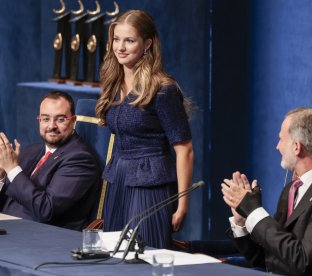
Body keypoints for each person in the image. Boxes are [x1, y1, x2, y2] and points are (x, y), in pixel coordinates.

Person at [221, 107, 312, 275]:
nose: (277, 146)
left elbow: (303, 261)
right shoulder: (292, 189)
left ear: (296, 147)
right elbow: (267, 259)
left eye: (281, 139)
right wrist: (242, 220)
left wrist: (254, 211)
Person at [95, 10, 193, 249]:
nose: (120, 47)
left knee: (145, 256)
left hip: (151, 185)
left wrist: (182, 204)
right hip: (118, 181)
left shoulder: (163, 89)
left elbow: (185, 150)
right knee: (114, 255)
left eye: (129, 40)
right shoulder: (113, 83)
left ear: (147, 43)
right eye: (116, 39)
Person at [0, 91, 101, 231]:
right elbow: (8, 201)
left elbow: (46, 210)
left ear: (73, 121)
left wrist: (12, 169)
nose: (51, 126)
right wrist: (2, 176)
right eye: (45, 119)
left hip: (43, 237)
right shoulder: (31, 151)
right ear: (39, 120)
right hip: (9, 228)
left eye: (60, 119)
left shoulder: (81, 159)